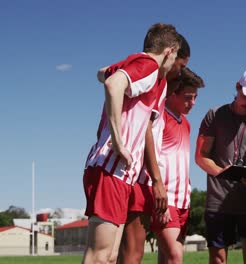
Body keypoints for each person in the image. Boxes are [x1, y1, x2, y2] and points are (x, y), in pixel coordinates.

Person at [82, 23, 180, 264]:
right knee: (99, 256)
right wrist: (117, 141)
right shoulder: (148, 65)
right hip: (110, 168)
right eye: (176, 56)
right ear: (169, 51)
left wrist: (119, 68)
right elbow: (112, 84)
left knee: (110, 257)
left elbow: (101, 73)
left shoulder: (144, 70)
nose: (173, 64)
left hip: (120, 173)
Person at [117, 33, 191, 264]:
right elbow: (146, 129)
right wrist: (158, 182)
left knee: (124, 253)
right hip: (136, 175)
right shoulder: (152, 80)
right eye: (180, 65)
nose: (179, 71)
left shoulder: (155, 82)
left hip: (140, 177)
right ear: (170, 53)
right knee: (130, 253)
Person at [195, 69, 246, 264]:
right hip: (218, 201)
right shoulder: (215, 115)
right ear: (238, 87)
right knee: (218, 259)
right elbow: (200, 157)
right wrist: (222, 173)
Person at [152, 67, 205, 264]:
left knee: (166, 259)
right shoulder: (159, 118)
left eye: (195, 97)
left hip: (184, 201)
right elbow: (150, 159)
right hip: (165, 200)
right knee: (175, 257)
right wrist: (159, 196)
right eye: (188, 97)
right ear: (172, 93)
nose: (192, 103)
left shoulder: (186, 123)